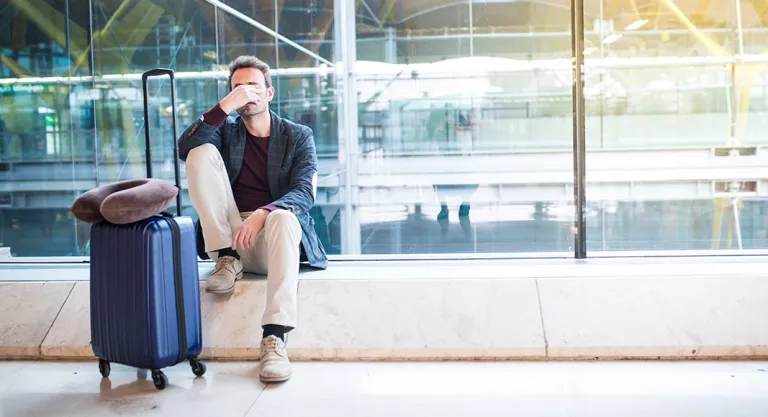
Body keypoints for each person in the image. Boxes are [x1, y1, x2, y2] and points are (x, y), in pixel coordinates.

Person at [178, 56, 327, 383]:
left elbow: (305, 192)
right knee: (199, 152)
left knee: (286, 218)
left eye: (253, 87)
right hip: (229, 239)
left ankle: (274, 337)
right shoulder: (225, 133)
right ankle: (227, 259)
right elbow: (185, 146)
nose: (246, 93)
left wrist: (264, 212)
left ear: (269, 93)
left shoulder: (298, 136)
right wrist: (225, 106)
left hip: (274, 240)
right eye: (237, 88)